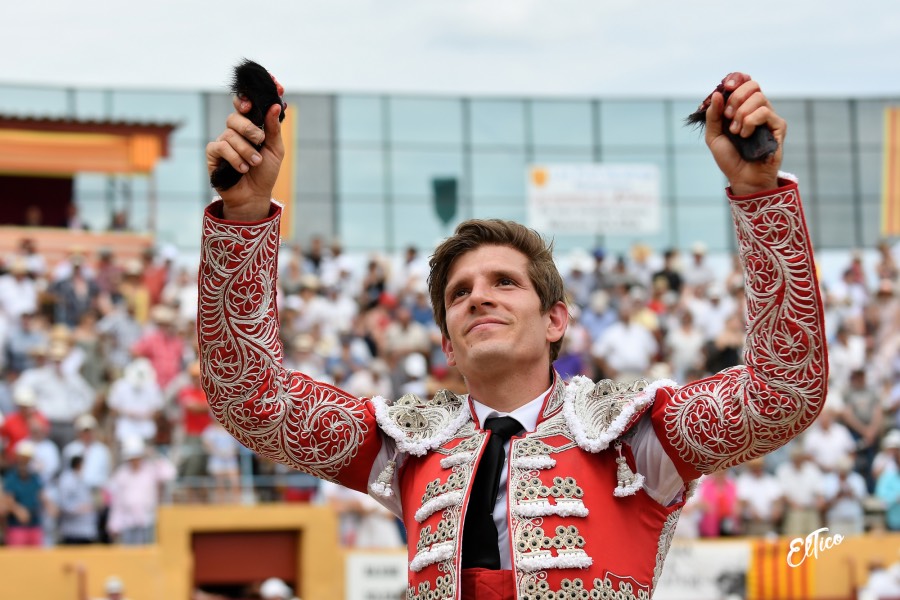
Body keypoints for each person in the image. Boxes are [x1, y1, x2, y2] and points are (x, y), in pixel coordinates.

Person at [201, 72, 827, 599]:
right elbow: (251, 401)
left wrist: (757, 194)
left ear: (556, 319)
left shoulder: (634, 435)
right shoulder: (409, 443)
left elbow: (783, 391)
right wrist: (246, 215)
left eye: (504, 282)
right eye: (459, 293)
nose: (478, 296)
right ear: (447, 342)